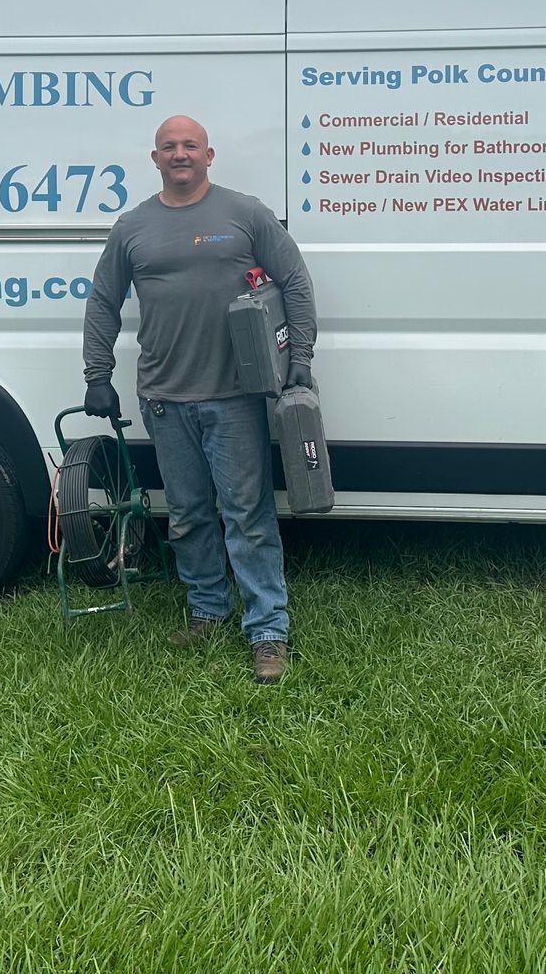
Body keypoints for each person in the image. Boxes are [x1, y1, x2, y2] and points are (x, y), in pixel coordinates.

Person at [81, 115, 317, 684]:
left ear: (209, 155)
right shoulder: (132, 226)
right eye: (169, 147)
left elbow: (296, 282)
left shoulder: (245, 213)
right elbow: (103, 302)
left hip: (236, 395)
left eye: (190, 145)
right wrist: (97, 373)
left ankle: (267, 630)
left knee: (248, 517)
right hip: (164, 397)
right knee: (187, 517)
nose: (180, 154)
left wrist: (300, 359)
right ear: (154, 158)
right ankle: (208, 610)